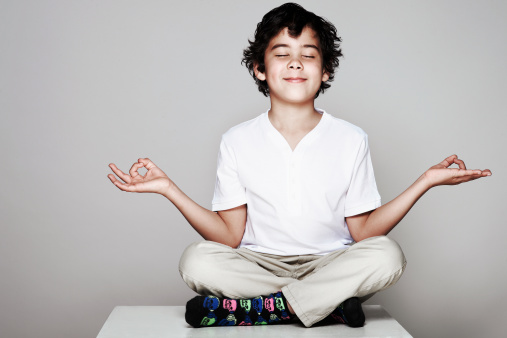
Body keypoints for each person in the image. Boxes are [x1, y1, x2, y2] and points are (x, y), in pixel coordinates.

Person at [107, 2, 491, 329]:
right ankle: (324, 307)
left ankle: (265, 310)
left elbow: (364, 233)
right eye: (281, 54)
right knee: (197, 260)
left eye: (308, 55)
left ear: (324, 71)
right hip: (259, 266)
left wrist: (424, 181)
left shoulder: (350, 138)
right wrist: (168, 189)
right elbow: (228, 236)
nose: (295, 64)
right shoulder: (236, 140)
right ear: (260, 68)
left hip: (330, 264)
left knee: (387, 254)